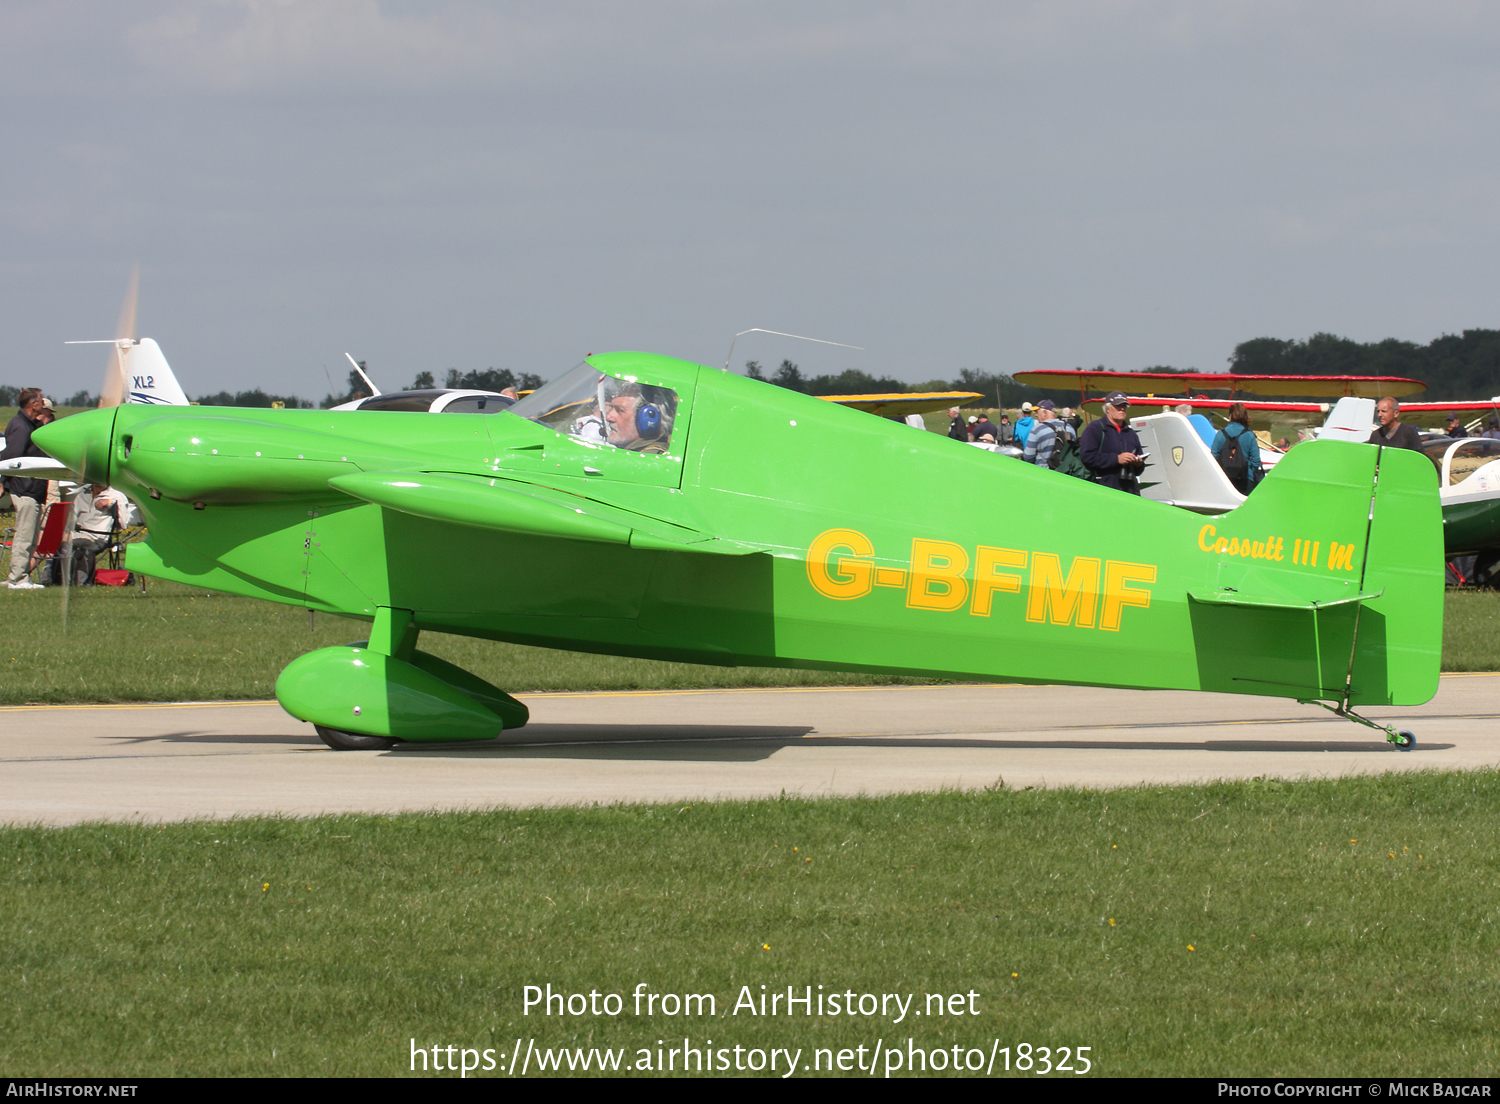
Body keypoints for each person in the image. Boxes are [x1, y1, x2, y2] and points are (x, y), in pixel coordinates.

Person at [2, 388, 48, 589]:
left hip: (31, 489)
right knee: (25, 534)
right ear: (33, 404)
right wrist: (3, 480)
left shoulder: (29, 425)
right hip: (25, 489)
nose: (43, 403)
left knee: (29, 534)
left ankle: (21, 577)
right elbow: (11, 457)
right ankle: (17, 578)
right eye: (40, 400)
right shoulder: (21, 427)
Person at [1079, 391, 1145, 493]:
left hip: (1129, 490)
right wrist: (1117, 459)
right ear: (1107, 408)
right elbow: (1087, 456)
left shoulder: (1131, 433)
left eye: (1124, 406)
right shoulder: (1095, 428)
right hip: (1102, 489)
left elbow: (1139, 470)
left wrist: (1138, 464)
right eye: (1118, 406)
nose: (1122, 409)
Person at [601, 380, 674, 453]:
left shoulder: (649, 458)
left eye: (620, 410)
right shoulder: (633, 452)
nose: (608, 417)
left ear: (648, 418)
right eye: (611, 407)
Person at [1210, 402, 1263, 494]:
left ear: (1230, 416)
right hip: (1245, 480)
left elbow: (1213, 456)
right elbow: (1256, 461)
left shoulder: (1221, 434)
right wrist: (1249, 472)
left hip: (1225, 479)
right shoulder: (1249, 435)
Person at [1023, 400, 1074, 468]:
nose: (1036, 415)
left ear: (1044, 413)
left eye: (1037, 412)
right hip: (1066, 473)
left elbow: (1028, 457)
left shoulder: (1037, 429)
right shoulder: (1069, 428)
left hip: (1043, 474)